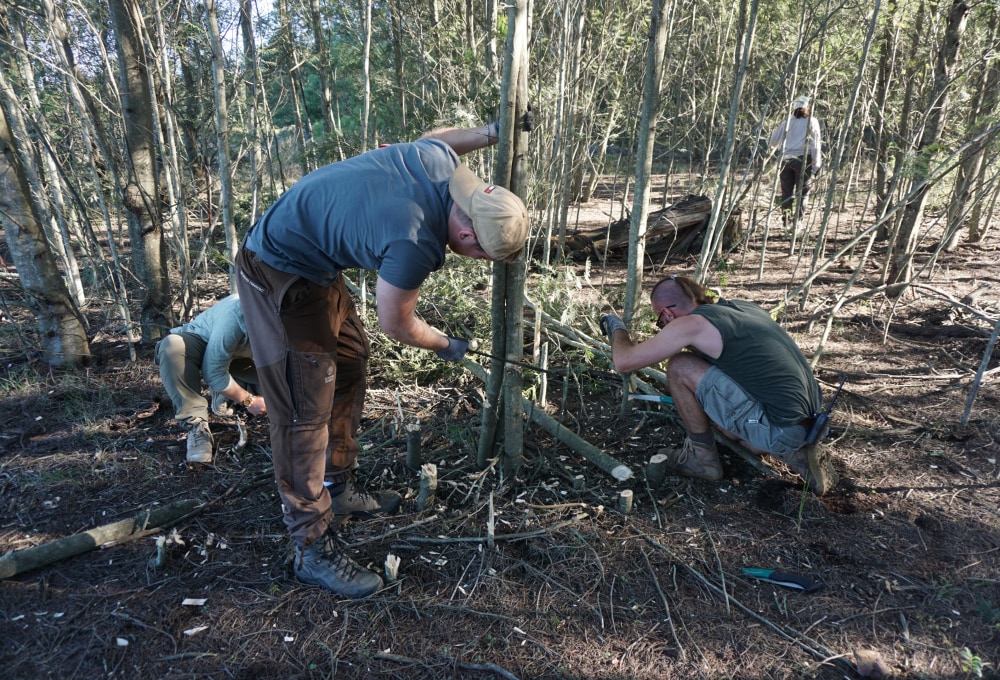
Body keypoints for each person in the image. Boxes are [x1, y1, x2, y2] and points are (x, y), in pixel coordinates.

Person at [235, 118, 532, 599]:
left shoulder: (443, 167)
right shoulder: (414, 240)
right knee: (301, 410)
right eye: (482, 257)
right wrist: (448, 346)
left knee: (349, 358)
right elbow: (398, 324)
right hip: (277, 268)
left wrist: (491, 132)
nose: (475, 262)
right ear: (471, 237)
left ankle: (337, 483)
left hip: (315, 261)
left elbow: (432, 139)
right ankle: (310, 546)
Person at [599, 274, 838, 495]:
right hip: (810, 423)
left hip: (775, 428)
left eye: (659, 321)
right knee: (718, 422)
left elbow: (624, 362)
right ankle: (796, 453)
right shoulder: (742, 308)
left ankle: (702, 460)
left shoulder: (692, 325)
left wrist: (616, 327)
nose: (661, 326)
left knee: (680, 366)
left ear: (667, 314)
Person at [154, 294, 267, 464]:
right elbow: (212, 371)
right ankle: (196, 425)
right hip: (200, 343)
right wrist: (248, 401)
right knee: (172, 348)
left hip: (237, 356)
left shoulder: (301, 317)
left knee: (280, 392)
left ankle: (224, 393)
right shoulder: (239, 312)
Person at [768, 95, 823, 231]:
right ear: (807, 106)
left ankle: (786, 223)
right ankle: (797, 224)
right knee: (802, 192)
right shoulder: (812, 121)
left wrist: (781, 146)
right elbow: (815, 144)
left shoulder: (787, 122)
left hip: (785, 160)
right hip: (804, 159)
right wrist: (816, 165)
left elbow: (771, 141)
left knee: (786, 192)